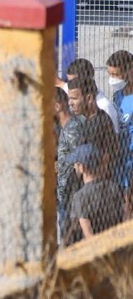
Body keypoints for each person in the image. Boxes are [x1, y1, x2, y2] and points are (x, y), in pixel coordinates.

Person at [57, 77, 118, 235]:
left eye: (74, 98)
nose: (70, 103)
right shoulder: (83, 121)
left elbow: (106, 158)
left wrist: (90, 189)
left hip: (93, 199)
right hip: (80, 194)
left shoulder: (101, 122)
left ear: (89, 98)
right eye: (69, 98)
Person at [65, 144, 123, 245]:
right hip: (115, 243)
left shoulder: (80, 196)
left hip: (97, 249)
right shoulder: (113, 187)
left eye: (76, 164)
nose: (74, 166)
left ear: (82, 168)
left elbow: (89, 236)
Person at [106, 50, 133, 215]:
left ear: (130, 70)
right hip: (119, 162)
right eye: (109, 74)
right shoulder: (118, 95)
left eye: (115, 74)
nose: (112, 79)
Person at [67, 58, 122, 133]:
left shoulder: (104, 106)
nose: (71, 85)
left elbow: (115, 135)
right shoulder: (77, 102)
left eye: (74, 81)